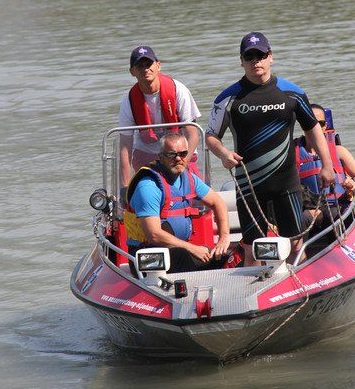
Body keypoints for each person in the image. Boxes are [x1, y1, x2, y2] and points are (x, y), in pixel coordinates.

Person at [205, 32, 334, 265]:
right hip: (249, 186)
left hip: (287, 183)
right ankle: (253, 287)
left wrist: (327, 164)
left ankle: (298, 281)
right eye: (249, 56)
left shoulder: (292, 92)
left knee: (295, 245)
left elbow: (312, 128)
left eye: (261, 55)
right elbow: (211, 136)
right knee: (252, 249)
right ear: (241, 61)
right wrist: (223, 154)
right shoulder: (228, 98)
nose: (256, 61)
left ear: (270, 56)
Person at [124, 132, 231, 273]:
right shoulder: (148, 186)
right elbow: (153, 234)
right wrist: (193, 249)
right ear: (161, 157)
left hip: (178, 250)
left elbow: (217, 202)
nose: (178, 159)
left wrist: (224, 238)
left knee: (227, 258)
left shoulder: (188, 178)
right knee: (183, 256)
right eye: (172, 155)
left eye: (183, 154)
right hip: (147, 257)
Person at [119, 45, 201, 187]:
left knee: (193, 188)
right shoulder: (129, 101)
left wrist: (182, 164)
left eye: (149, 64)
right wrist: (124, 187)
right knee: (144, 189)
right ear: (132, 72)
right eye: (140, 66)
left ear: (158, 65)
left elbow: (192, 134)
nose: (145, 69)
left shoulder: (178, 90)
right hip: (147, 153)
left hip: (180, 153)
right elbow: (125, 147)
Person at [298, 104, 355, 230]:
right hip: (308, 209)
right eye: (311, 123)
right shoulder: (293, 154)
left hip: (337, 206)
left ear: (325, 126)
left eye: (320, 123)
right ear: (303, 125)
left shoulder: (339, 151)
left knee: (337, 215)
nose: (315, 127)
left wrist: (353, 183)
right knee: (302, 218)